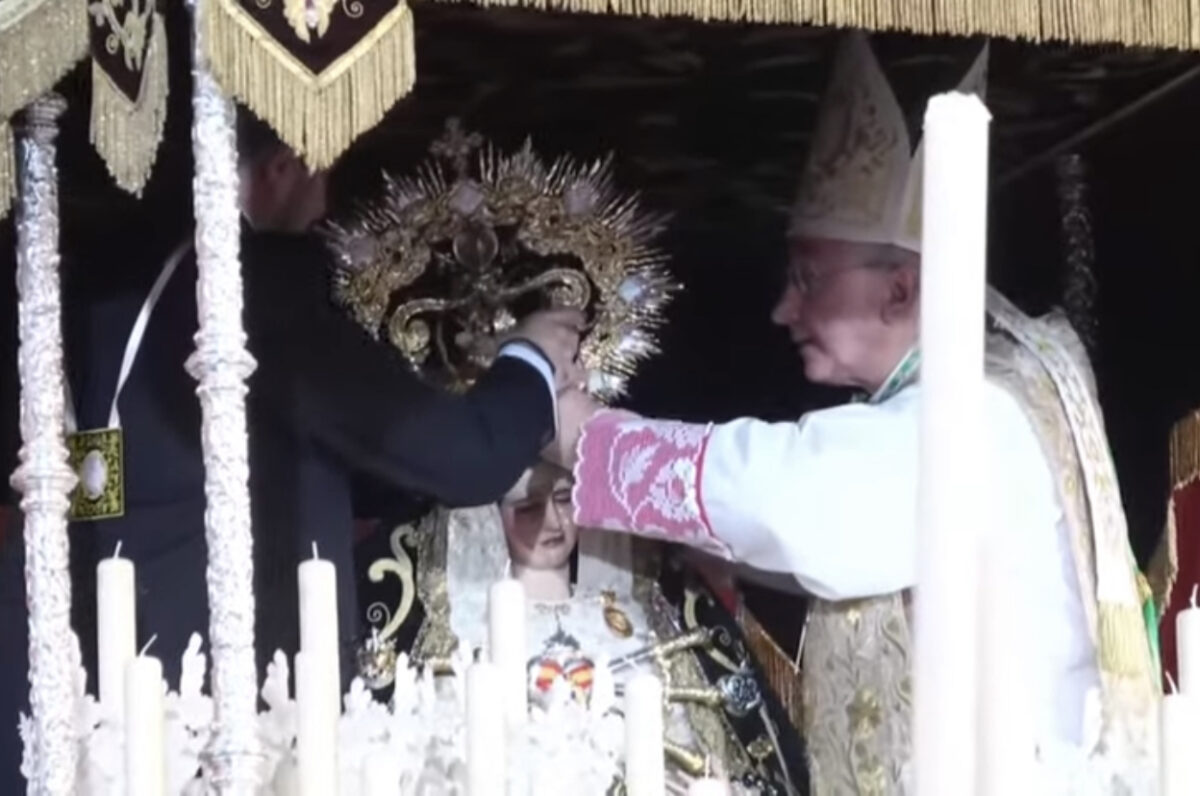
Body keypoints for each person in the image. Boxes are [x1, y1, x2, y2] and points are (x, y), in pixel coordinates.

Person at [548, 33, 1160, 794]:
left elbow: (802, 500)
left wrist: (590, 441)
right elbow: (860, 533)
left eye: (808, 278)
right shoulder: (981, 381)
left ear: (901, 291)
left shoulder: (981, 411)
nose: (783, 308)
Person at [62, 108, 582, 690]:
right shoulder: (253, 287)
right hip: (239, 686)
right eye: (322, 176)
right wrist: (531, 358)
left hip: (120, 675)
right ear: (281, 169)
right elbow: (470, 461)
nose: (323, 207)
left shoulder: (123, 291)